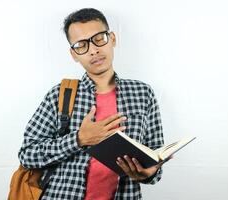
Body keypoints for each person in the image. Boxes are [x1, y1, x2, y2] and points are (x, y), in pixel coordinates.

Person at [18, 8, 167, 199]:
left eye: (99, 38)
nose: (93, 50)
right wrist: (79, 139)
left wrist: (149, 173)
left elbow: (155, 161)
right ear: (74, 54)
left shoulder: (143, 94)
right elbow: (28, 154)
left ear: (112, 38)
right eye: (81, 45)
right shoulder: (60, 95)